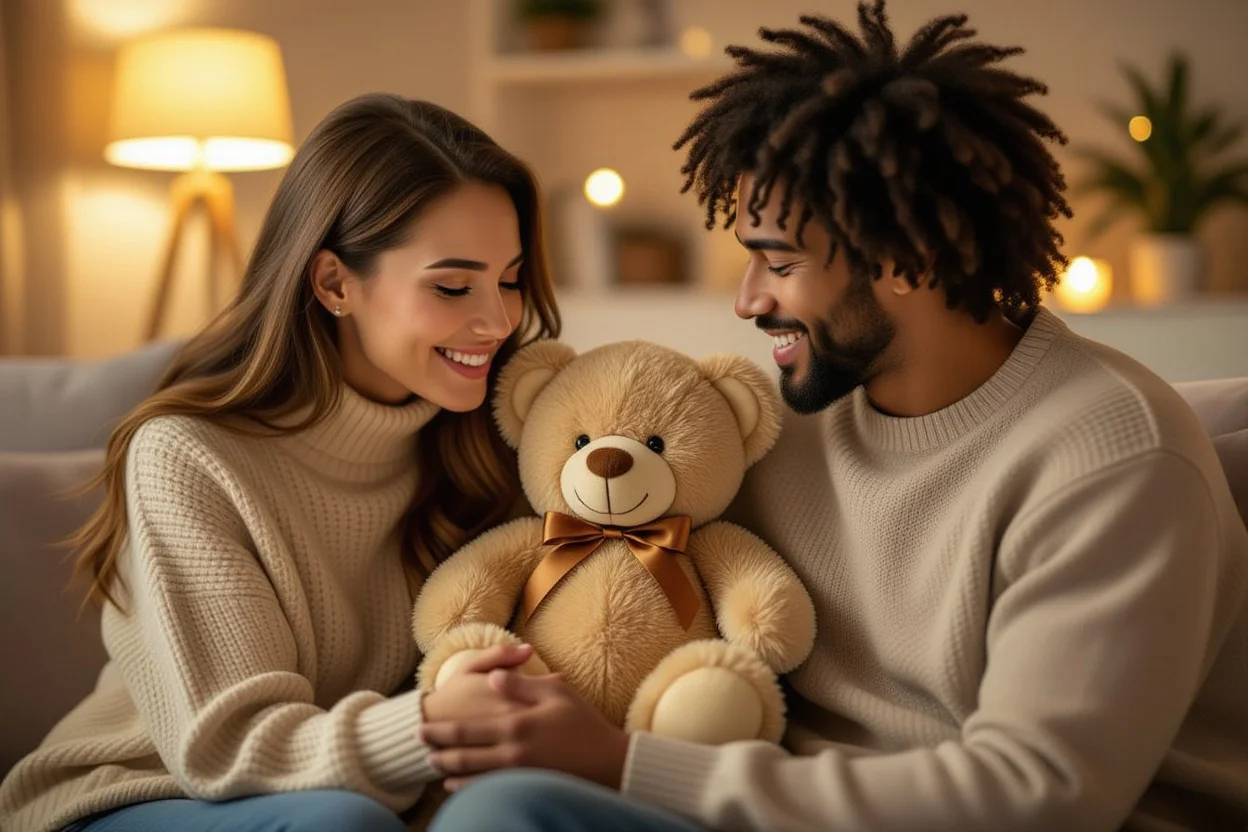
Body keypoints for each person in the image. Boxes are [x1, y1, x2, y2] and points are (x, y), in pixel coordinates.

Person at [422, 3, 1248, 830]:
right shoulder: (789, 424)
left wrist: (623, 763)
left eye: (777, 261)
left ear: (907, 262)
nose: (748, 299)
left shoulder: (1115, 457)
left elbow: (1037, 798)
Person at [0, 93, 560, 832]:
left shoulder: (493, 435)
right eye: (452, 286)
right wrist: (432, 727)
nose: (496, 319)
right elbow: (227, 745)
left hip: (361, 797)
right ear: (333, 283)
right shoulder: (186, 456)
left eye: (511, 279)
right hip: (144, 793)